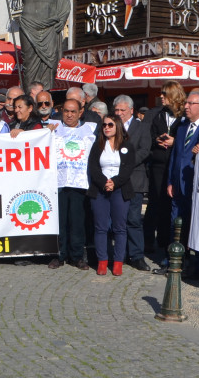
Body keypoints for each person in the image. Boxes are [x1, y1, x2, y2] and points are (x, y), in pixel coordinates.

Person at [87, 115, 137, 277]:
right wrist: (104, 182)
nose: (107, 127)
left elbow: (128, 168)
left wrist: (114, 182)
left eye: (110, 124)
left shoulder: (126, 146)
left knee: (119, 228)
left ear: (117, 126)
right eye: (104, 125)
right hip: (100, 189)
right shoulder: (97, 145)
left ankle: (117, 262)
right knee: (100, 227)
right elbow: (93, 167)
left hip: (120, 189)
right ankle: (102, 261)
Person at [50, 97, 94, 271]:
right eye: (66, 111)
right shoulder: (53, 128)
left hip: (79, 182)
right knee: (59, 222)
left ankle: (76, 256)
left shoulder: (90, 130)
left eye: (73, 111)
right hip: (58, 182)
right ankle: (59, 255)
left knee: (77, 221)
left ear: (80, 113)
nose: (69, 115)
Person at [167, 89, 199, 248]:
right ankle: (173, 255)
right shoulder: (182, 127)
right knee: (175, 219)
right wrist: (170, 181)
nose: (186, 106)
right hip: (177, 182)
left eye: (190, 103)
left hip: (194, 181)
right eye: (186, 103)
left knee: (192, 221)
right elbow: (175, 155)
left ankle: (190, 256)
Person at [113, 95, 152, 272]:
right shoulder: (110, 125)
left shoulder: (142, 127)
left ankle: (136, 255)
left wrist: (127, 163)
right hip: (114, 178)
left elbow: (145, 150)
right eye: (117, 110)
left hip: (134, 178)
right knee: (117, 219)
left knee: (134, 219)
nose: (119, 113)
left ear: (131, 110)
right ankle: (119, 254)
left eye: (122, 110)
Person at [146, 82, 185, 259]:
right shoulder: (158, 115)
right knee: (157, 204)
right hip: (159, 165)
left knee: (172, 205)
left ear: (173, 96)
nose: (161, 96)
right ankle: (159, 244)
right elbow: (151, 135)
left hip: (174, 164)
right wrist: (157, 140)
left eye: (164, 94)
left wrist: (174, 141)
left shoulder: (184, 116)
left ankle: (173, 243)